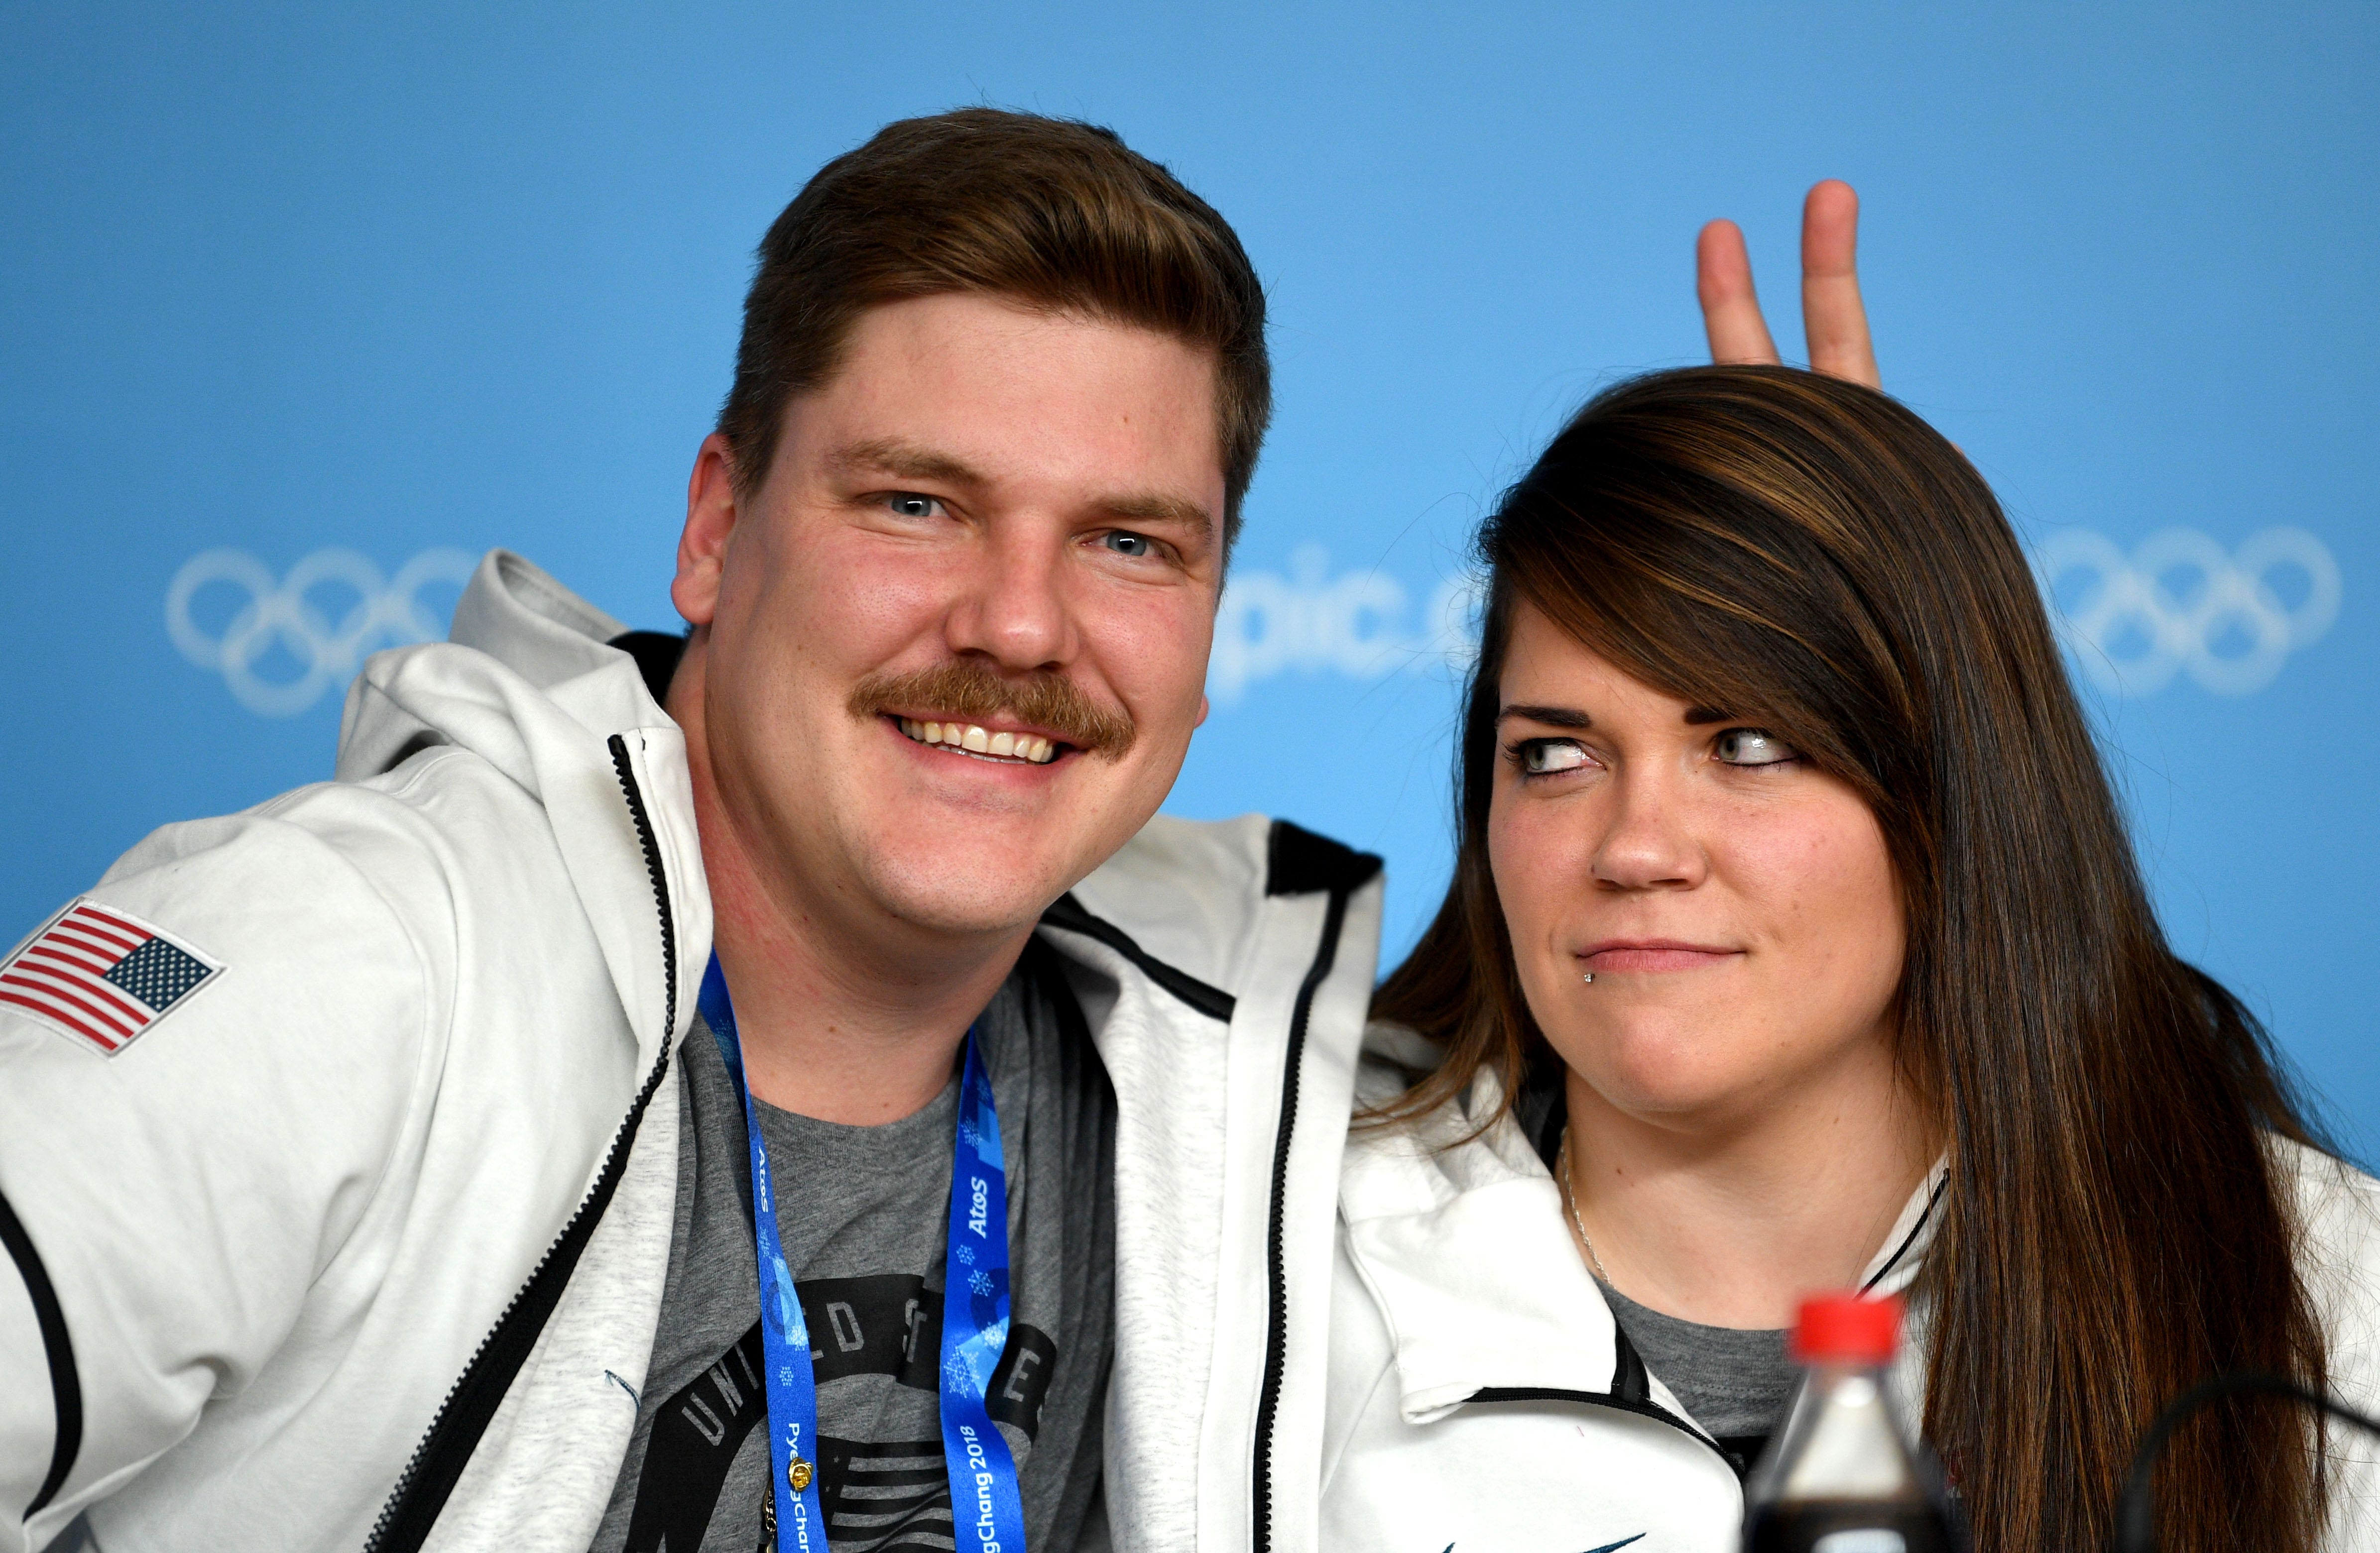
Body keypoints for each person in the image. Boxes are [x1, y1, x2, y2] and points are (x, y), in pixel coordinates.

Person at [0, 110, 1397, 1553]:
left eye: (1127, 544)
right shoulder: (340, 961)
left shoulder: (1249, 1061)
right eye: (918, 504)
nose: (1022, 624)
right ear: (718, 529)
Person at [1315, 361, 2380, 1553]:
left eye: (1750, 743)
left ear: (1945, 793)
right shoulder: (1276, 1255)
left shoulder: (2296, 1272)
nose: (1637, 846)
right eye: (1553, 753)